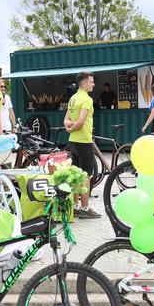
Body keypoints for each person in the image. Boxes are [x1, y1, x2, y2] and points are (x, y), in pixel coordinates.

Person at [64, 71, 101, 219]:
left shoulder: (73, 98)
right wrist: (73, 127)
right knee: (86, 175)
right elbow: (80, 122)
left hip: (73, 141)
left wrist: (69, 128)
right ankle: (85, 208)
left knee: (75, 175)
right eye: (91, 81)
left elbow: (66, 119)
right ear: (84, 83)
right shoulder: (87, 100)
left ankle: (75, 206)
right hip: (84, 141)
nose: (93, 84)